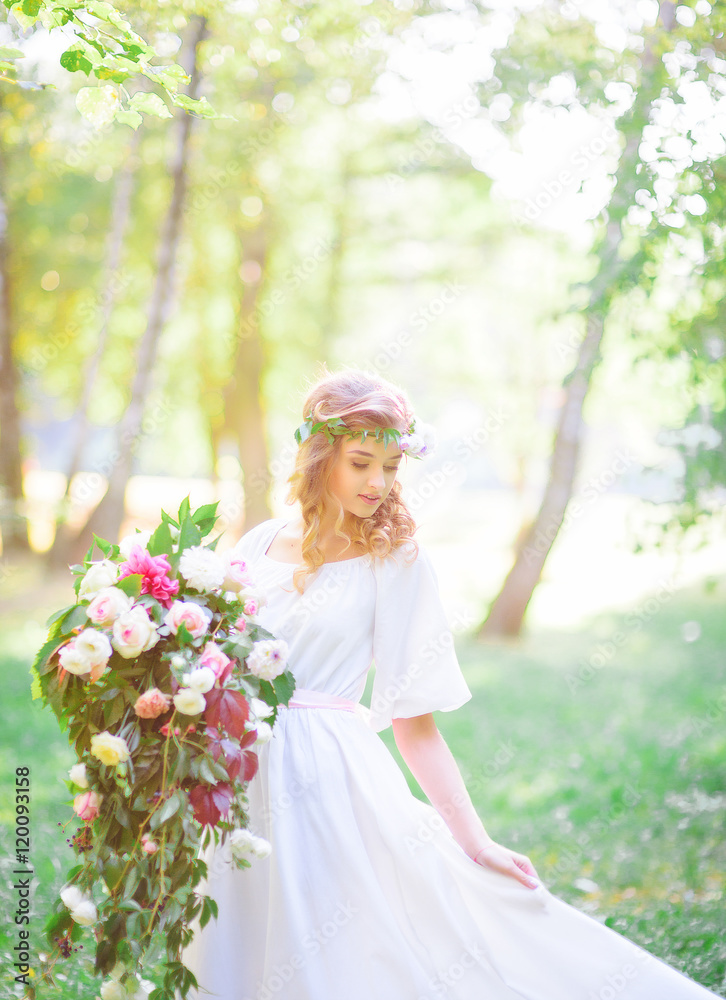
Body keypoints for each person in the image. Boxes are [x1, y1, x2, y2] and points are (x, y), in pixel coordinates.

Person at [183, 368, 722, 1000]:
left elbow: (416, 723)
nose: (378, 483)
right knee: (237, 926)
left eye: (390, 466)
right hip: (232, 770)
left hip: (326, 776)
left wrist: (476, 840)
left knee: (332, 940)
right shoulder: (257, 542)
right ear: (320, 454)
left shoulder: (397, 560)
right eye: (361, 463)